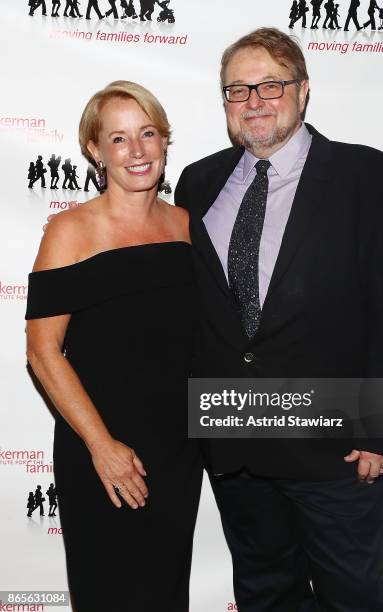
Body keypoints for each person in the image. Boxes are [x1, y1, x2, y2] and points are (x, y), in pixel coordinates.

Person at [174, 27, 383, 611]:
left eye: (270, 84)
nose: (254, 101)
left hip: (335, 446)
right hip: (233, 440)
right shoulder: (199, 181)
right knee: (264, 594)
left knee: (350, 598)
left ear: (303, 90)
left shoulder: (372, 177)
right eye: (237, 89)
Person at [26, 80, 202, 611]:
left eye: (148, 133)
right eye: (119, 139)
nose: (138, 151)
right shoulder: (69, 230)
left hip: (177, 451)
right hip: (99, 451)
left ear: (166, 140)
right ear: (94, 150)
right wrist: (102, 448)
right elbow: (42, 351)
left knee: (166, 591)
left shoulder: (187, 228)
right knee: (109, 593)